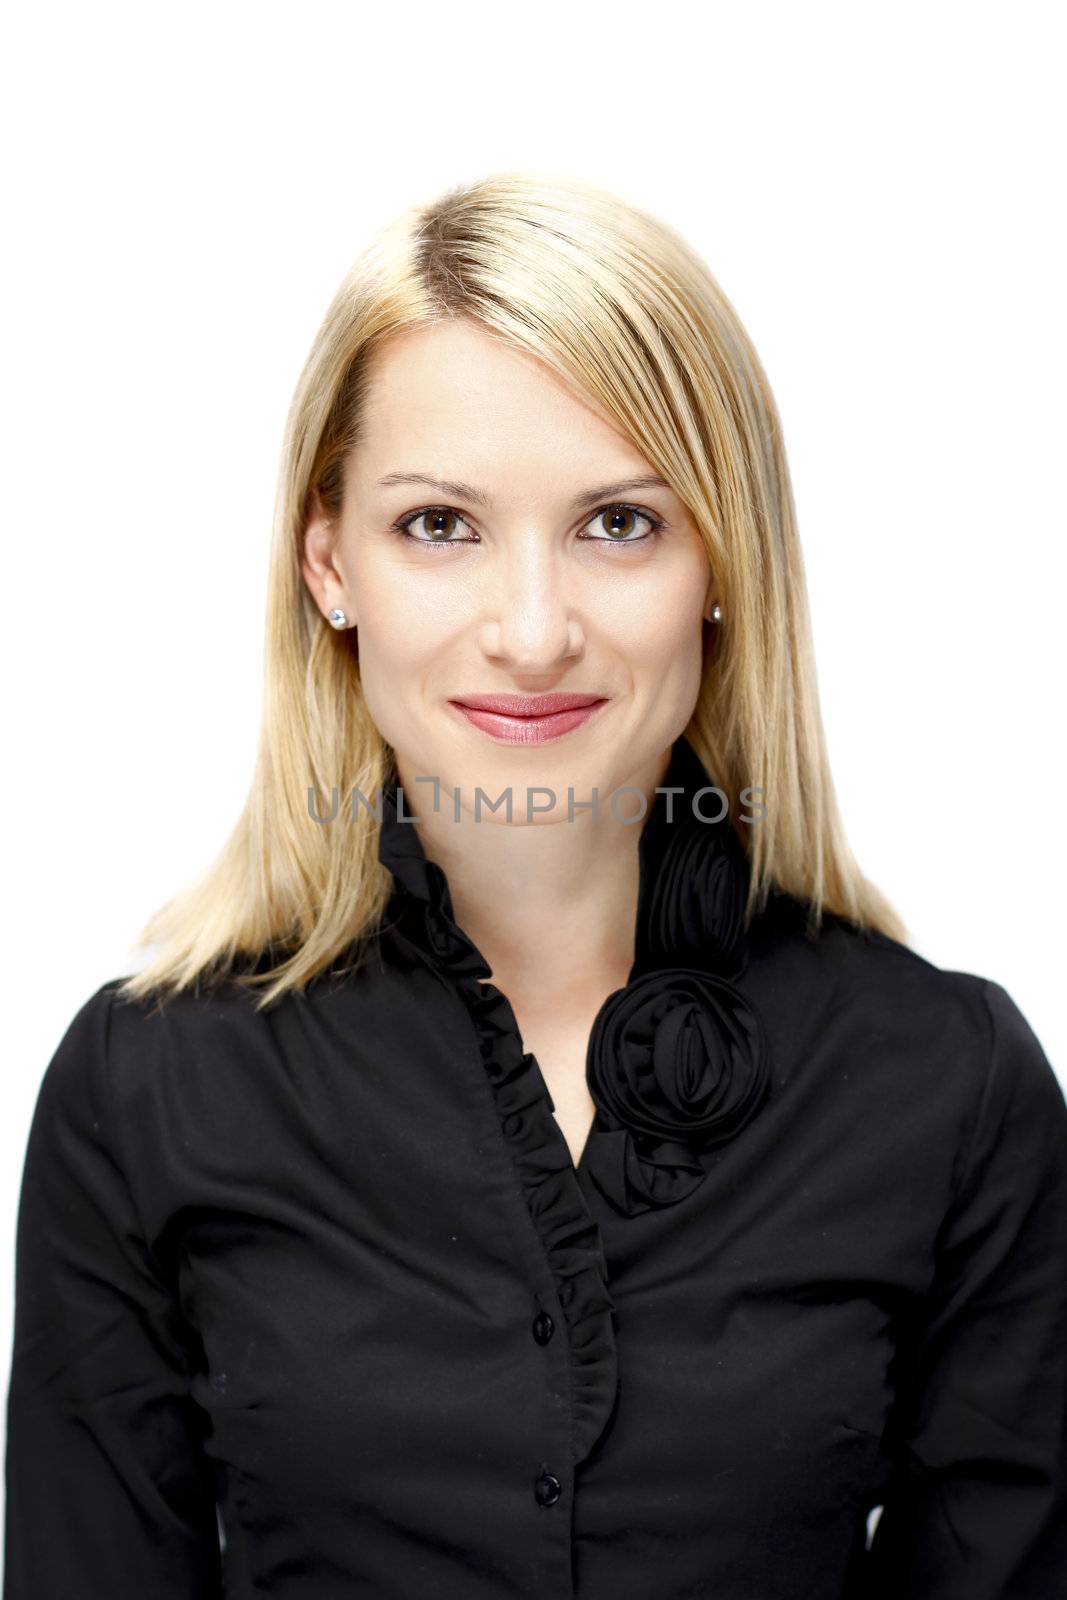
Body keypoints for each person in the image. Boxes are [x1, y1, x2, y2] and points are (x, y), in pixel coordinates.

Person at [4, 170, 1066, 1600]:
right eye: (440, 524)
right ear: (330, 561)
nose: (531, 629)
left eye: (617, 522)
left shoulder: (953, 1087)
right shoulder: (143, 1094)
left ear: (720, 563)